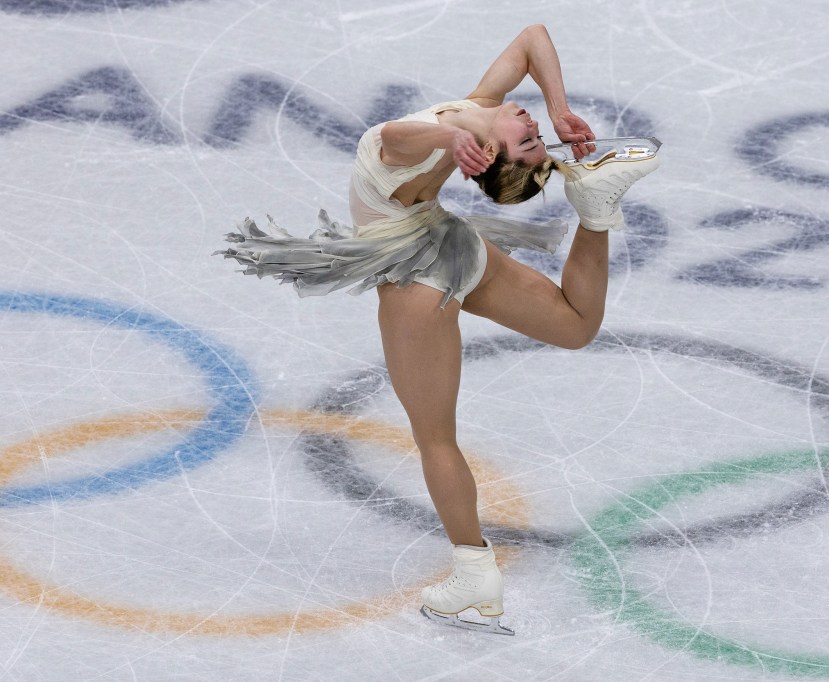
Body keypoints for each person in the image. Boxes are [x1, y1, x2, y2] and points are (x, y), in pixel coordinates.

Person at [218, 24, 659, 635]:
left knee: (435, 439)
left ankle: (474, 577)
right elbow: (532, 38)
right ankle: (596, 212)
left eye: (529, 141)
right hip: (449, 245)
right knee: (576, 325)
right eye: (533, 139)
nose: (533, 128)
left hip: (414, 279)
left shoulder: (434, 146)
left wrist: (454, 138)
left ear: (491, 157)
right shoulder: (476, 112)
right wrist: (558, 110)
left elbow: (394, 137)